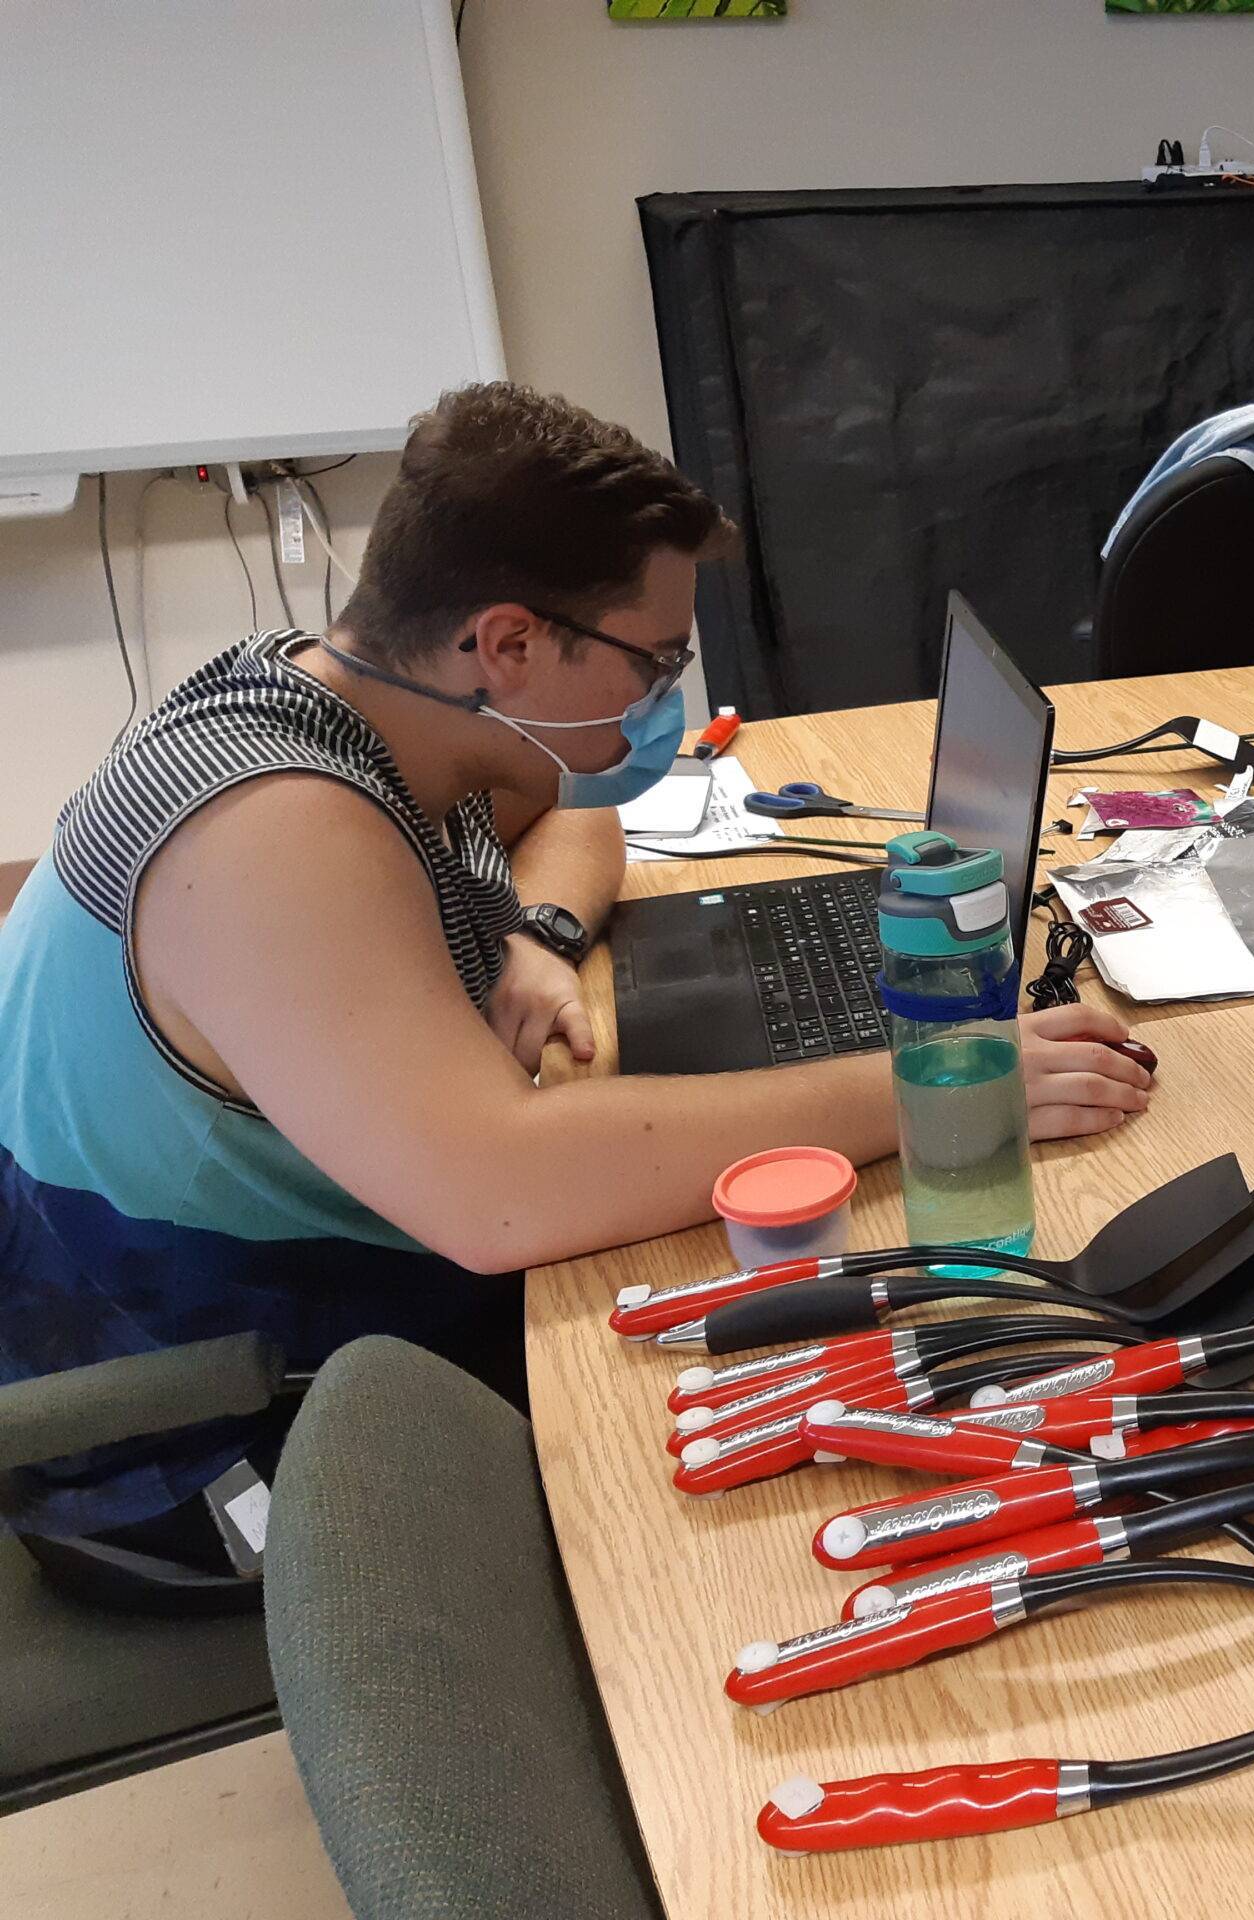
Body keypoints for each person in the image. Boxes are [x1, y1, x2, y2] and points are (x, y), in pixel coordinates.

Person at [0, 383, 1152, 1565]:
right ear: (507, 644)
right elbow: (502, 1196)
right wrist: (936, 1087)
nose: (665, 698)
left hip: (355, 1300)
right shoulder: (274, 833)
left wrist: (536, 935)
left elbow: (578, 806)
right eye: (653, 660)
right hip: (210, 1444)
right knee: (814, 1477)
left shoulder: (357, 698)